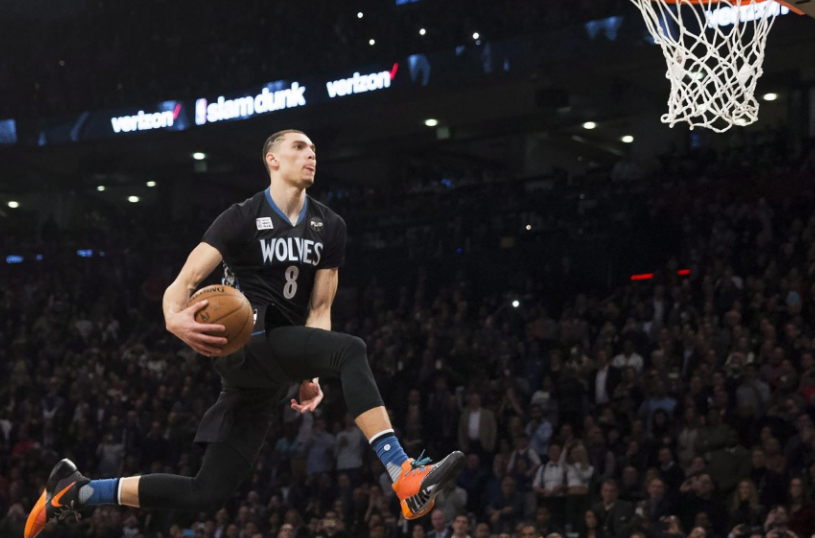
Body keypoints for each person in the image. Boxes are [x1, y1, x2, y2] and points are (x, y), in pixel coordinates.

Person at [24, 130, 465, 538]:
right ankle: (402, 471)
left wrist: (311, 372)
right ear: (271, 160)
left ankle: (78, 492)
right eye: (298, 147)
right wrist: (173, 318)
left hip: (272, 362)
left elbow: (320, 307)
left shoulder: (331, 226)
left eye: (313, 149)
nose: (310, 154)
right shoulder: (240, 217)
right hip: (245, 339)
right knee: (353, 350)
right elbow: (181, 284)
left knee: (207, 492)